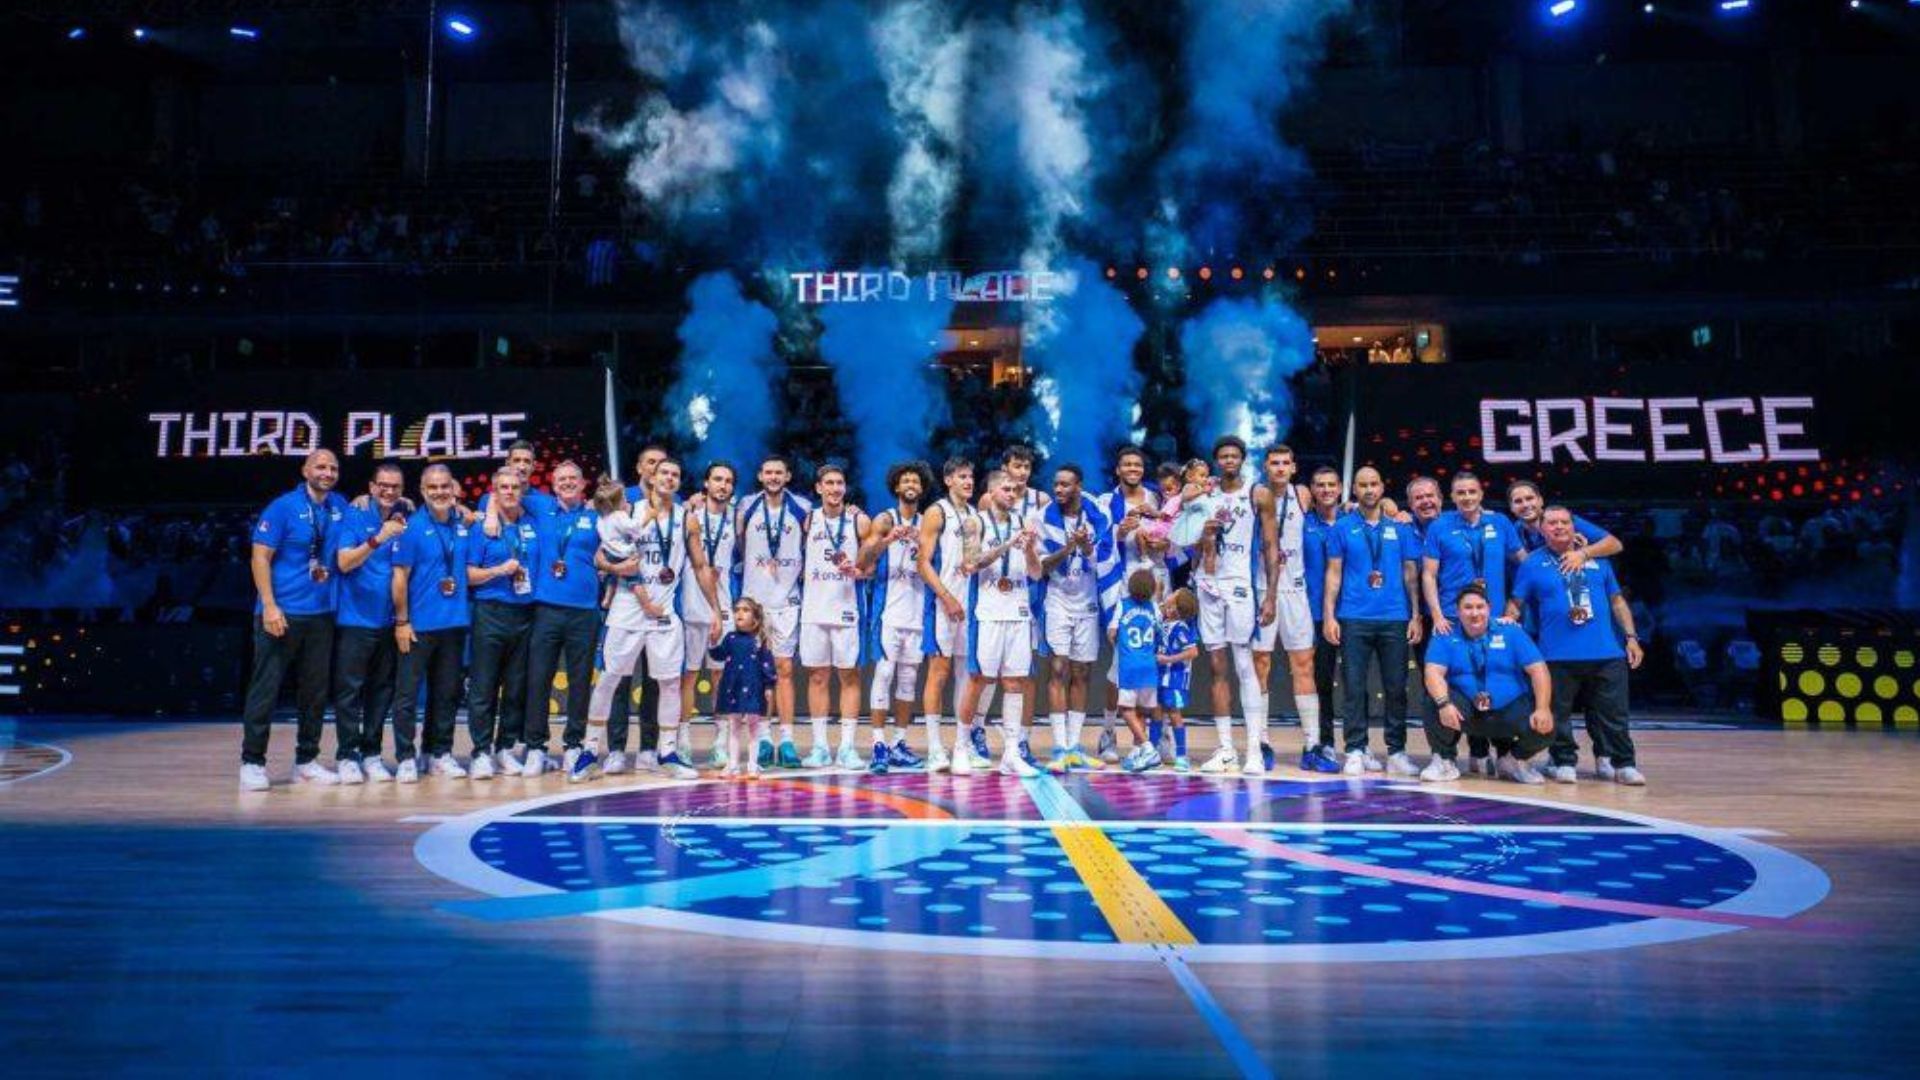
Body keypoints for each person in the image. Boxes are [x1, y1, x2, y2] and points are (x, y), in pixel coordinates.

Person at [586, 464, 724, 780]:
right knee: (608, 680)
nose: (669, 478)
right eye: (664, 473)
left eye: (675, 475)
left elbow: (701, 567)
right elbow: (599, 557)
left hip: (663, 612)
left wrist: (715, 609)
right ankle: (589, 751)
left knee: (670, 683)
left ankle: (668, 753)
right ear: (651, 478)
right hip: (626, 610)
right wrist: (615, 568)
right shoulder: (627, 511)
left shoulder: (687, 519)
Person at [1507, 507, 1648, 785]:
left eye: (1564, 522)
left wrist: (1631, 637)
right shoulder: (1533, 563)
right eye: (1552, 523)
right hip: (1556, 654)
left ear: (1574, 527)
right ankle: (1563, 761)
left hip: (1606, 652)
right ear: (1542, 530)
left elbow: (1617, 601)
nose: (1559, 527)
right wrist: (1506, 627)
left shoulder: (1598, 559)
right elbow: (1516, 603)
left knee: (1613, 714)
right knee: (1558, 713)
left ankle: (1622, 763)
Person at [239, 449, 348, 791]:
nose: (327, 472)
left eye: (333, 468)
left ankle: (306, 762)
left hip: (321, 614)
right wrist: (269, 605)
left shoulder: (340, 506)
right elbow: (260, 557)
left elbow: (368, 512)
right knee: (266, 689)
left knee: (314, 693)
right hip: (281, 613)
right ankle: (252, 762)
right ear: (305, 470)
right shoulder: (283, 507)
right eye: (321, 466)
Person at [1322, 465, 1424, 777]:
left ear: (1382, 488)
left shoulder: (1400, 528)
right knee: (1354, 688)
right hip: (1354, 617)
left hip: (1395, 617)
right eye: (1363, 485)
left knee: (1396, 688)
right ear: (1354, 489)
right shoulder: (1341, 527)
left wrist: (1415, 615)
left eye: (1374, 484)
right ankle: (1355, 749)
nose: (1369, 490)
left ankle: (1396, 752)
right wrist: (1329, 616)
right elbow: (1334, 574)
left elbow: (1411, 575)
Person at [1421, 471, 1524, 778]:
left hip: (1492, 619)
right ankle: (1446, 757)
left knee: (1499, 682)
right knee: (1454, 687)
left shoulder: (1500, 523)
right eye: (1460, 493)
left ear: (1481, 493)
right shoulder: (1440, 526)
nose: (1467, 497)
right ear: (1452, 497)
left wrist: (1514, 605)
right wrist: (1437, 615)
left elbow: (1525, 563)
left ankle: (1502, 755)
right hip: (1453, 619)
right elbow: (1429, 574)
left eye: (1472, 491)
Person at [1193, 436, 1284, 777]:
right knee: (1217, 667)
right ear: (1216, 461)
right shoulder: (1205, 494)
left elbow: (1271, 547)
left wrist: (1271, 595)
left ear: (1243, 459)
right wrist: (1202, 535)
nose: (1229, 460)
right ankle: (1226, 749)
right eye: (1223, 456)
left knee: (1245, 665)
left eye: (1234, 456)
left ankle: (1254, 751)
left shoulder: (1258, 494)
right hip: (1208, 583)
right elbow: (1186, 542)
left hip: (1241, 586)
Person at [953, 470, 1043, 777]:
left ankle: (1011, 754)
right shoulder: (974, 522)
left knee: (1015, 682)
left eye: (1015, 489)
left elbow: (1036, 573)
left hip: (1018, 612)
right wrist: (1007, 545)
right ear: (991, 493)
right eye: (1006, 489)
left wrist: (1028, 548)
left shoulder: (1024, 523)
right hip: (988, 613)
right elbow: (970, 564)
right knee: (978, 680)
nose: (1012, 493)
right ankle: (961, 748)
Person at [520, 461, 604, 784]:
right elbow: (500, 492)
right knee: (538, 678)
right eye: (561, 479)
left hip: (584, 610)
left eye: (573, 479)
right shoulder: (540, 506)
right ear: (553, 485)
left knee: (580, 681)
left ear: (583, 485)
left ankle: (573, 744)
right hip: (546, 609)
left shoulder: (597, 515)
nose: (567, 483)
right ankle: (536, 747)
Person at [1419, 586, 1554, 784]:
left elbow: (1539, 670)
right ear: (1458, 611)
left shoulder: (1511, 632)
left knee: (1548, 722)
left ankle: (1514, 761)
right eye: (1468, 607)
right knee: (1433, 701)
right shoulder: (1444, 635)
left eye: (1480, 607)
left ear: (1489, 608)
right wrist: (1444, 704)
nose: (1475, 613)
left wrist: (1543, 708)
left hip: (1507, 711)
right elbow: (1432, 672)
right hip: (1467, 712)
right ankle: (1444, 761)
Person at [329, 461, 410, 784]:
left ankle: (372, 754)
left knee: (381, 690)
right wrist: (378, 538)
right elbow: (344, 562)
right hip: (356, 619)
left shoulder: (407, 514)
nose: (388, 491)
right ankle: (347, 755)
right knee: (349, 691)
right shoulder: (356, 514)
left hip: (390, 620)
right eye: (383, 486)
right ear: (372, 487)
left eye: (395, 487)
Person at [390, 464, 472, 780]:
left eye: (444, 486)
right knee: (407, 696)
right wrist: (402, 621)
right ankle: (405, 757)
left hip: (453, 624)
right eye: (433, 487)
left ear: (454, 490)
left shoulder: (462, 525)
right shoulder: (411, 528)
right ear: (423, 491)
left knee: (447, 694)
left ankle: (438, 753)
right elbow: (399, 578)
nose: (439, 492)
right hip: (418, 626)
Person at [1035, 464, 1118, 772]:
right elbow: (1040, 567)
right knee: (1058, 669)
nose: (1058, 489)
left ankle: (1074, 747)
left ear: (1078, 486)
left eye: (1065, 484)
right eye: (1056, 484)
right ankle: (1060, 747)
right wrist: (1068, 548)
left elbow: (1107, 560)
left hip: (1088, 602)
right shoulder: (1042, 518)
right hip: (1057, 600)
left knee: (1082, 672)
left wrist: (1087, 548)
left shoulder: (1099, 514)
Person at [1252, 444, 1328, 774]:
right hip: (1261, 588)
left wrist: (1389, 507)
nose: (1280, 468)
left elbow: (1335, 503)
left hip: (1296, 591)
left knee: (1303, 665)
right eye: (1274, 463)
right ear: (1265, 468)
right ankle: (1260, 742)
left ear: (1294, 468)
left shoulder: (1302, 494)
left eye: (1285, 463)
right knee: (1260, 665)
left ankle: (1312, 745)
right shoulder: (1255, 495)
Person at [735, 455, 813, 768]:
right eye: (768, 472)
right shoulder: (746, 506)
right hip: (754, 601)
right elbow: (740, 545)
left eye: (779, 472)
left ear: (788, 476)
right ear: (760, 475)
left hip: (787, 600)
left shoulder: (803, 507)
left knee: (784, 670)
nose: (773, 477)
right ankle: (763, 739)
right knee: (756, 672)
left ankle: (788, 741)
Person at [463, 468, 541, 780]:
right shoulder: (482, 528)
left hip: (525, 614)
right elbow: (468, 575)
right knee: (484, 686)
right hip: (490, 612)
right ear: (494, 493)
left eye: (515, 487)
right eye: (503, 487)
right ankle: (481, 752)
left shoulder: (532, 524)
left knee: (515, 687)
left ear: (522, 491)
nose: (510, 491)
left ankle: (504, 748)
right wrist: (498, 571)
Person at [857, 460, 931, 774]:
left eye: (916, 481)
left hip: (918, 613)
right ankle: (878, 744)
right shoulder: (885, 519)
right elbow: (862, 560)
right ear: (897, 487)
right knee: (884, 674)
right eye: (906, 481)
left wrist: (921, 541)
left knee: (909, 680)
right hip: (888, 612)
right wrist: (886, 540)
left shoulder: (929, 522)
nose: (911, 485)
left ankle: (899, 743)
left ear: (922, 488)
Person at [797, 463, 871, 770]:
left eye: (840, 483)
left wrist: (860, 571)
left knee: (849, 677)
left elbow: (871, 565)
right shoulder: (808, 519)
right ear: (818, 488)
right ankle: (819, 747)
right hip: (814, 610)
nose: (835, 488)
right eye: (829, 483)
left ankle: (847, 748)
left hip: (846, 609)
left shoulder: (859, 520)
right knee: (817, 677)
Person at [604, 444, 671, 772]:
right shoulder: (623, 503)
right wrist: (614, 570)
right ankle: (616, 749)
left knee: (655, 680)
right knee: (619, 678)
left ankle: (648, 749)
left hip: (661, 604)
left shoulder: (676, 505)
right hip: (628, 603)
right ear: (641, 468)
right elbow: (604, 552)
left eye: (662, 464)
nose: (657, 469)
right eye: (651, 463)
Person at [1096, 445, 1165, 763]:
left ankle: (1149, 738)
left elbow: (1171, 538)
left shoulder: (1156, 499)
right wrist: (1116, 533)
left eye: (1138, 464)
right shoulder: (1105, 502)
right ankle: (1109, 732)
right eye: (1127, 464)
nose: (1133, 468)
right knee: (1119, 664)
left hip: (1156, 586)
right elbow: (1096, 546)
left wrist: (1160, 542)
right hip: (1121, 588)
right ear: (1118, 470)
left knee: (1153, 661)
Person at [918, 456, 983, 773]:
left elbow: (971, 561)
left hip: (970, 604)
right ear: (948, 480)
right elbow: (922, 563)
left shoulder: (974, 515)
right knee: (939, 672)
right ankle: (934, 748)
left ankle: (962, 745)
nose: (968, 482)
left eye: (970, 477)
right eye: (961, 477)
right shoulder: (936, 511)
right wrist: (946, 597)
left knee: (966, 674)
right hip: (943, 604)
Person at [682, 462, 738, 768]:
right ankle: (682, 743)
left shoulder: (737, 518)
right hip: (692, 606)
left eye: (728, 481)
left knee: (722, 678)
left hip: (724, 608)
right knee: (688, 677)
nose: (722, 485)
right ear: (706, 483)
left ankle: (721, 743)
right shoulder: (688, 515)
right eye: (717, 479)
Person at [710, 598, 777, 780]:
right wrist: (713, 642)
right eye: (737, 609)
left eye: (745, 610)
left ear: (755, 618)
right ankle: (732, 765)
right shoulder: (730, 638)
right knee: (734, 726)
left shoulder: (759, 640)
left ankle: (752, 765)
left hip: (754, 687)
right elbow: (719, 655)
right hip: (734, 687)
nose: (739, 613)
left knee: (754, 727)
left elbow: (767, 664)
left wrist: (769, 686)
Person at [1111, 569, 1162, 773]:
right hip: (1149, 665)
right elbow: (1159, 632)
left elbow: (1112, 632)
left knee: (1125, 709)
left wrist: (1117, 641)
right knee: (1141, 711)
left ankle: (1148, 748)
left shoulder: (1123, 605)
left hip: (1129, 665)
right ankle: (1138, 751)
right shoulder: (1154, 607)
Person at [1507, 480, 1624, 568]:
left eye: (1529, 498)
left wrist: (1582, 554)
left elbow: (1615, 544)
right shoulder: (1514, 530)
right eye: (1518, 501)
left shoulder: (1563, 520)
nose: (1525, 505)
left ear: (1540, 501)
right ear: (1511, 507)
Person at [1151, 588, 1201, 773]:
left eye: (1173, 595)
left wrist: (1169, 659)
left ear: (1174, 608)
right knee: (1156, 711)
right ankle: (1152, 753)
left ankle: (1181, 755)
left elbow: (1193, 652)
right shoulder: (1163, 621)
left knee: (1174, 713)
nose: (1169, 595)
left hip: (1174, 678)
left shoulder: (1181, 628)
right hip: (1158, 676)